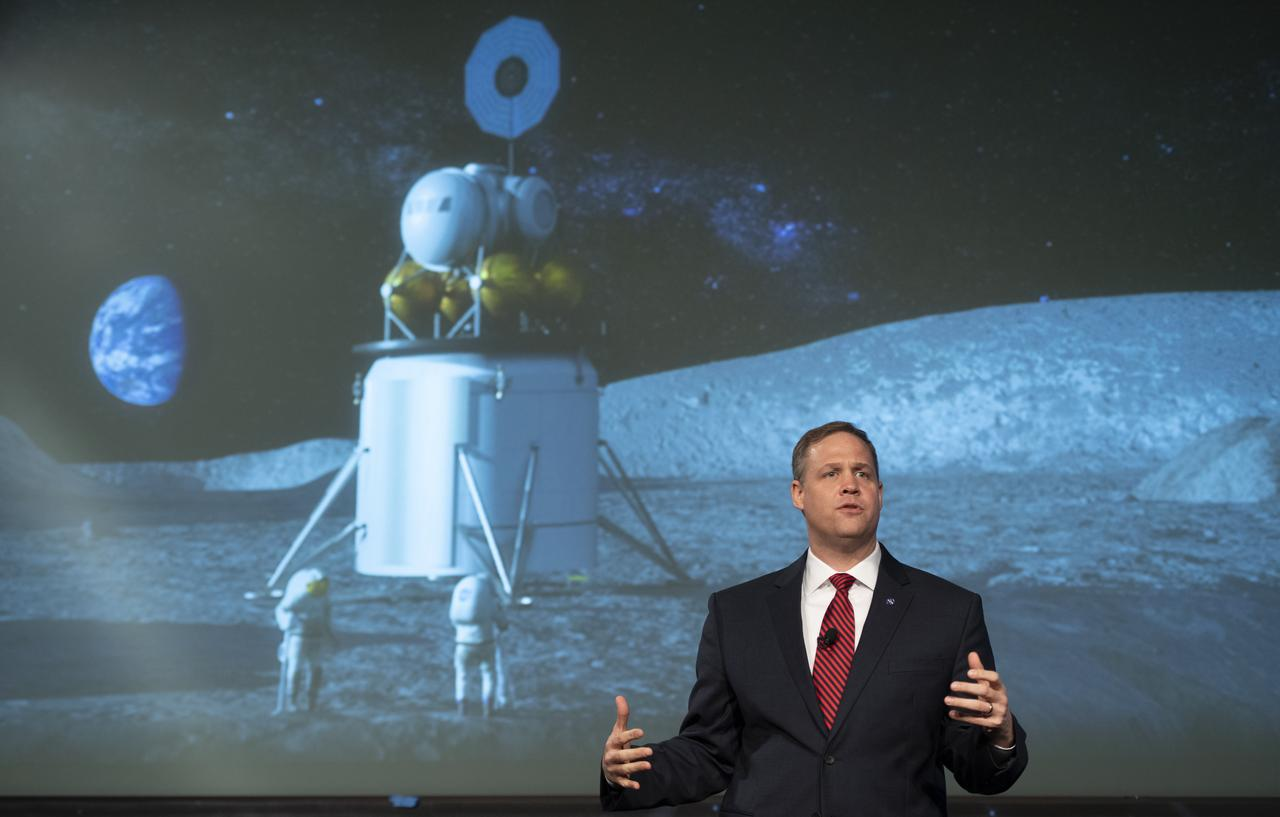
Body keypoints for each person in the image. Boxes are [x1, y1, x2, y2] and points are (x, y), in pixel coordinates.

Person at [601, 421, 1028, 816]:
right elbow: (711, 753)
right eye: (831, 473)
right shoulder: (737, 613)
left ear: (880, 492)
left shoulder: (948, 611)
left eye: (862, 474)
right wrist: (630, 768)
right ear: (797, 493)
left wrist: (1001, 735)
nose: (850, 485)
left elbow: (977, 767)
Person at [273, 567, 338, 714]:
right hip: (298, 636)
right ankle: (292, 702)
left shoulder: (324, 596)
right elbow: (282, 609)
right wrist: (287, 623)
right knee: (295, 669)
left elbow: (327, 615)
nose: (320, 589)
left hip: (317, 635)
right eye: (318, 586)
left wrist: (331, 635)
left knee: (316, 668)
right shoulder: (300, 595)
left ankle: (311, 702)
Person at [449, 572, 509, 717]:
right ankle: (488, 709)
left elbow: (453, 617)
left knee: (462, 674)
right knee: (488, 673)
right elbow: (500, 618)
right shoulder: (487, 595)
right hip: (484, 641)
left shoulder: (463, 588)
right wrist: (503, 625)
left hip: (462, 642)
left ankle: (462, 709)